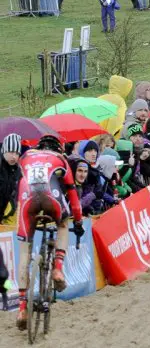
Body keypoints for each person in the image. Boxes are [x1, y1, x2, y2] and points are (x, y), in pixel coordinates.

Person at [15, 135, 84, 330]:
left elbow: (18, 182)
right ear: (59, 149)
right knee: (62, 225)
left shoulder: (27, 156)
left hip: (27, 197)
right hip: (51, 195)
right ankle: (58, 269)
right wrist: (77, 222)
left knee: (24, 254)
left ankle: (21, 307)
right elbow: (73, 196)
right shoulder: (60, 159)